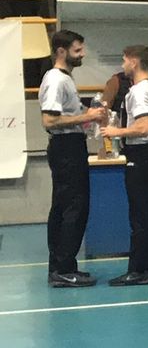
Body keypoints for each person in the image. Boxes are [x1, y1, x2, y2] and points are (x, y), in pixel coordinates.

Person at [40, 29, 106, 288]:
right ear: (61, 51)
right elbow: (50, 119)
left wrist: (86, 113)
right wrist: (86, 117)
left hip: (70, 145)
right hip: (66, 147)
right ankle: (63, 268)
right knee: (73, 207)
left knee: (65, 206)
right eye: (77, 51)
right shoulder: (56, 80)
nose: (82, 55)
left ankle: (62, 265)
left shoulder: (65, 79)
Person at [102, 45, 148, 286]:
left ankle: (138, 270)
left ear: (134, 61)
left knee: (140, 213)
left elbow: (143, 126)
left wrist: (115, 131)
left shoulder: (140, 91)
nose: (122, 65)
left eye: (124, 60)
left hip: (140, 153)